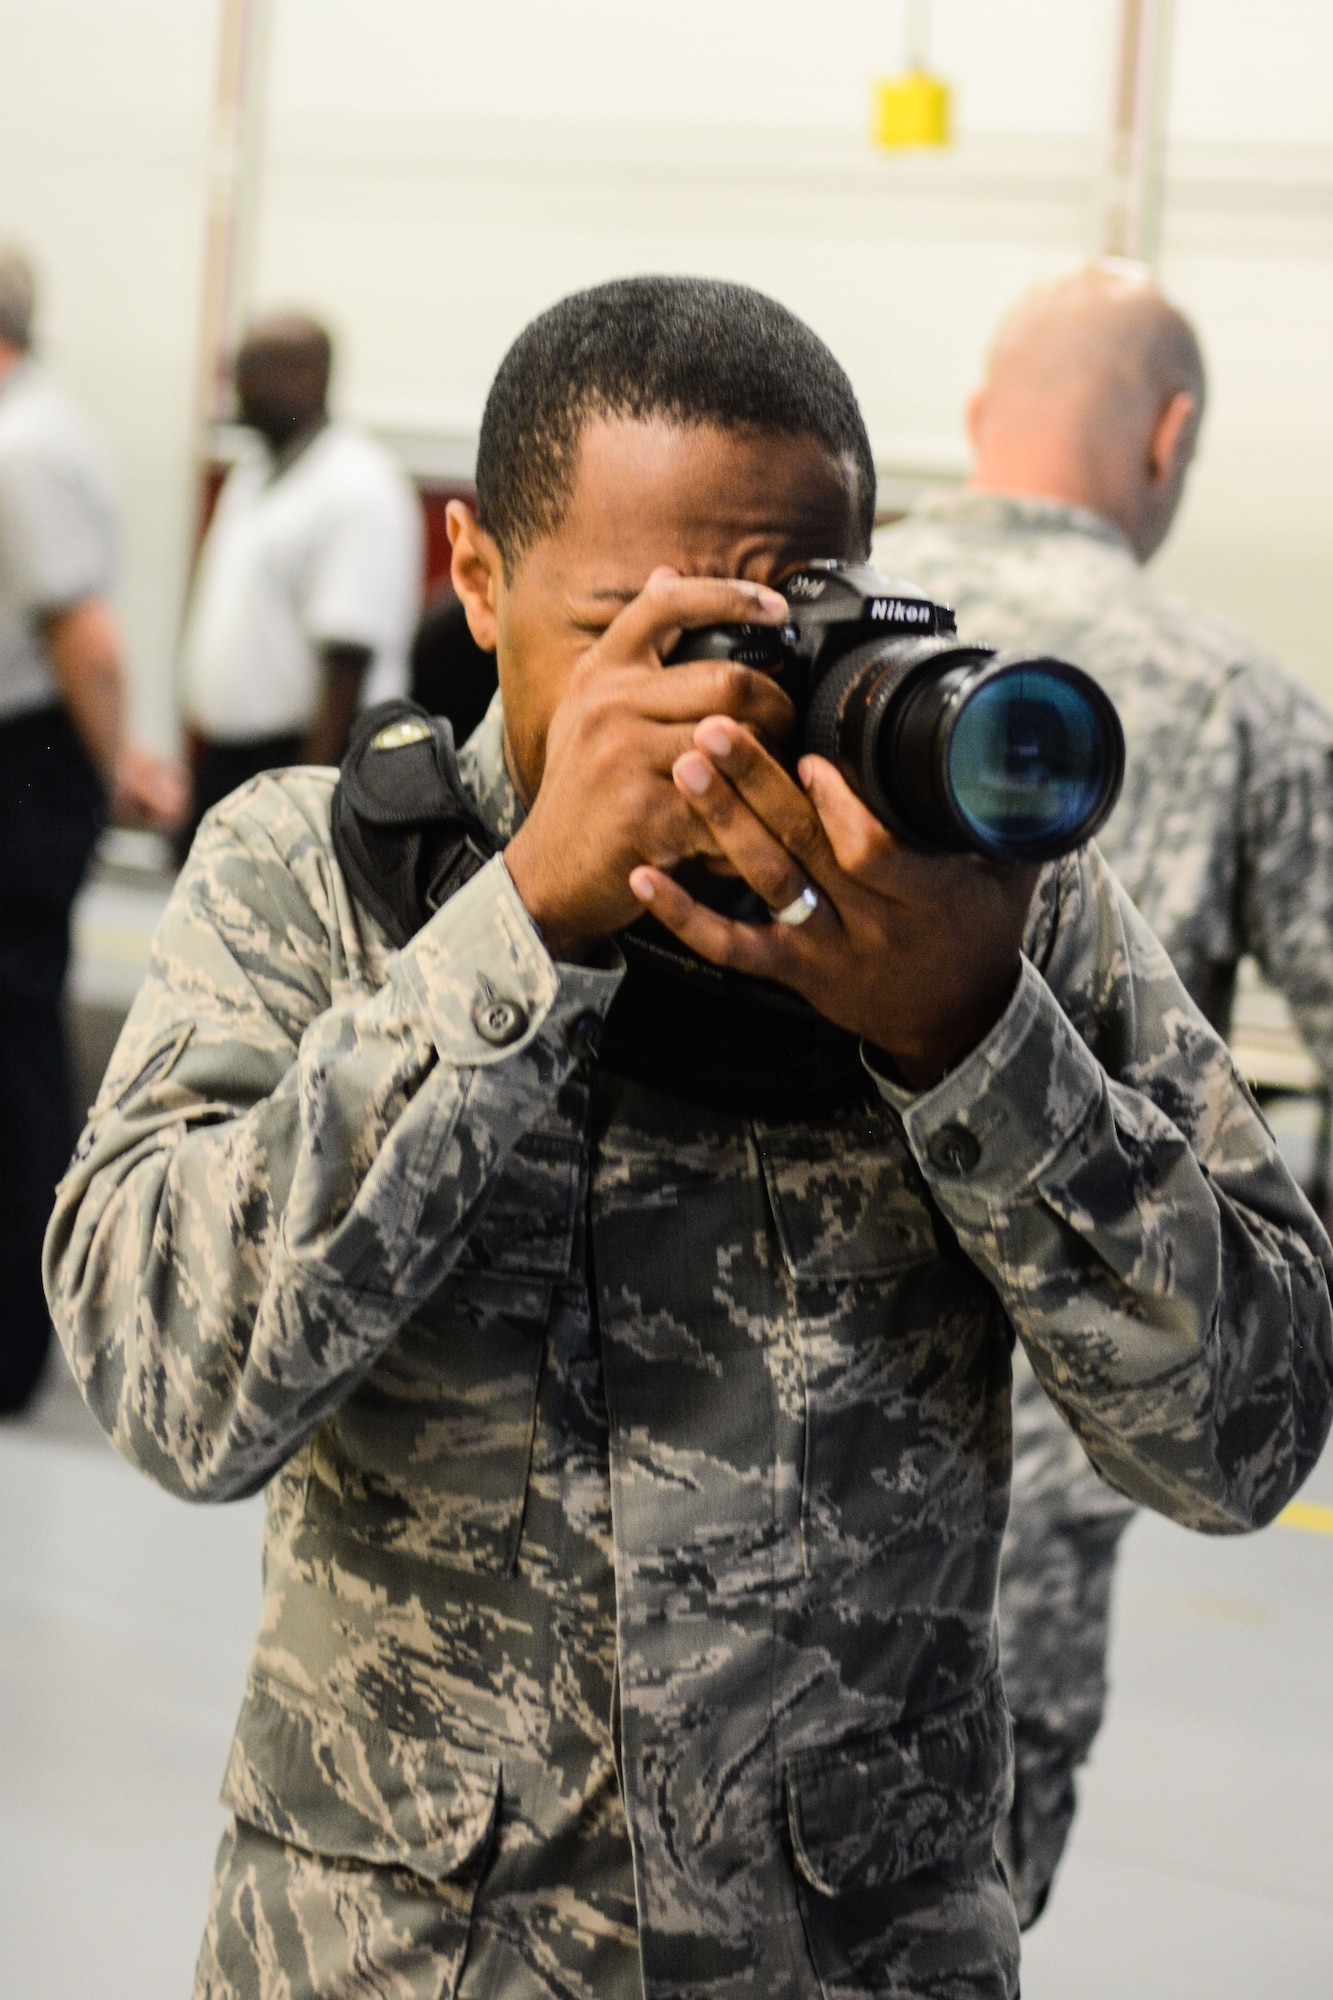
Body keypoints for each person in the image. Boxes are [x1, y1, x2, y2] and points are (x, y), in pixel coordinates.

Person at [45, 277, 1333, 2000]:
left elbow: (1240, 1438)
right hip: (403, 1957)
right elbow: (172, 1386)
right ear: (476, 576)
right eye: (648, 640)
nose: (724, 721)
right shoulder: (313, 878)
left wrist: (967, 1038)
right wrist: (524, 930)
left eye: (786, 633)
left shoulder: (985, 905)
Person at [875, 256, 1333, 1926]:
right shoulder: (1233, 693)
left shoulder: (821, 634)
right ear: (1171, 434)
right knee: (963, 1884)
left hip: (738, 1413)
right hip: (1065, 1427)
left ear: (981, 416)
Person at [0, 242, 185, 1414]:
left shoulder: (22, 444)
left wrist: (111, 769)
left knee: (13, 1058)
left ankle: (13, 1340)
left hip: (21, 769)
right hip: (30, 758)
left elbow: (89, 643)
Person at [178, 312, 422, 848]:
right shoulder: (255, 472)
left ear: (312, 377)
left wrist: (306, 818)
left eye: (254, 370)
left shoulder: (357, 485)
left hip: (298, 764)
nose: (237, 386)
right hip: (229, 758)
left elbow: (347, 667)